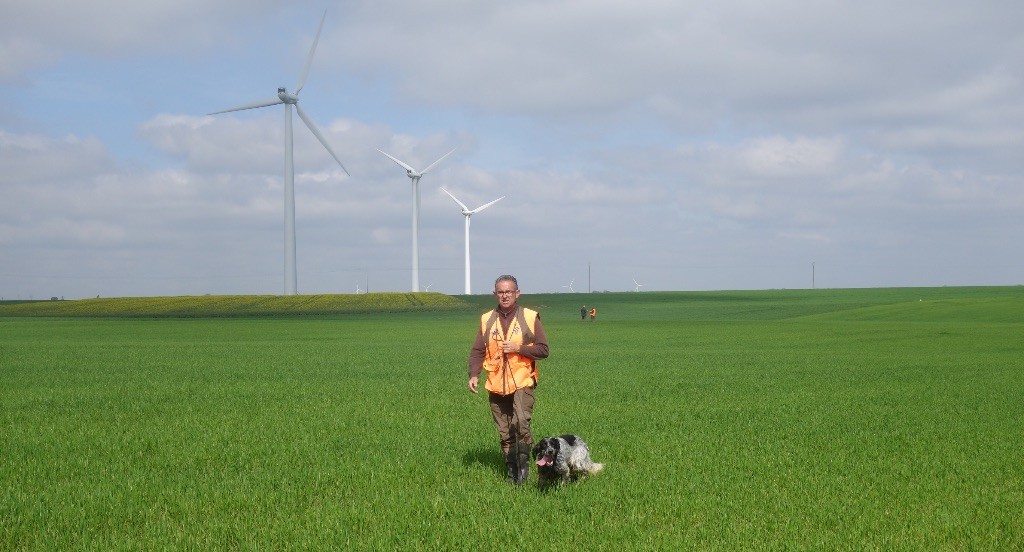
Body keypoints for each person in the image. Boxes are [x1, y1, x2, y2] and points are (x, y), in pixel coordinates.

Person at [467, 275, 549, 484]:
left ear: (517, 293)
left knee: (520, 424)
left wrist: (518, 348)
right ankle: (511, 472)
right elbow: (478, 349)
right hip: (495, 383)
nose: (504, 295)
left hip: (522, 381)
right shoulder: (487, 319)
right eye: (500, 292)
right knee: (504, 431)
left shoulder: (530, 317)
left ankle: (523, 471)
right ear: (495, 294)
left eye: (508, 291)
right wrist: (474, 374)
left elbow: (544, 350)